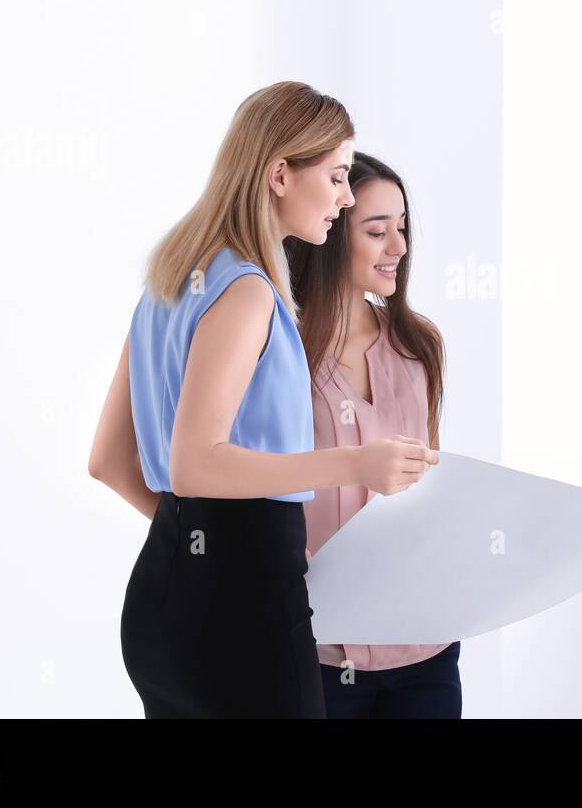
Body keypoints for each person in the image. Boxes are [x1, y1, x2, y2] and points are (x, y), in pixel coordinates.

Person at [87, 82, 438, 718]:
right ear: (280, 175)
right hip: (243, 611)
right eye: (335, 177)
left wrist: (199, 544)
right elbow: (198, 461)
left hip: (164, 595)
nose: (346, 196)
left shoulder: (169, 278)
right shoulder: (248, 292)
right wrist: (355, 465)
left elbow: (109, 461)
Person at [287, 152, 461, 718]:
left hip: (425, 649)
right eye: (377, 231)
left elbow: (434, 494)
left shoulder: (418, 345)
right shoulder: (279, 349)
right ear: (333, 232)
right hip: (317, 651)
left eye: (403, 228)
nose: (399, 248)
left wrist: (547, 560)